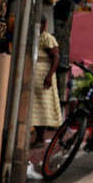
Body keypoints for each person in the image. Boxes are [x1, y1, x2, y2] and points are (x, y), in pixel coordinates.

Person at [31, 16, 63, 147]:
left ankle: (40, 138)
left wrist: (49, 76)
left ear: (44, 24)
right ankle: (38, 138)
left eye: (42, 23)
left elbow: (56, 57)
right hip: (34, 76)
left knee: (43, 106)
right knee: (34, 107)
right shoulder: (33, 37)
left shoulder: (47, 38)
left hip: (44, 76)